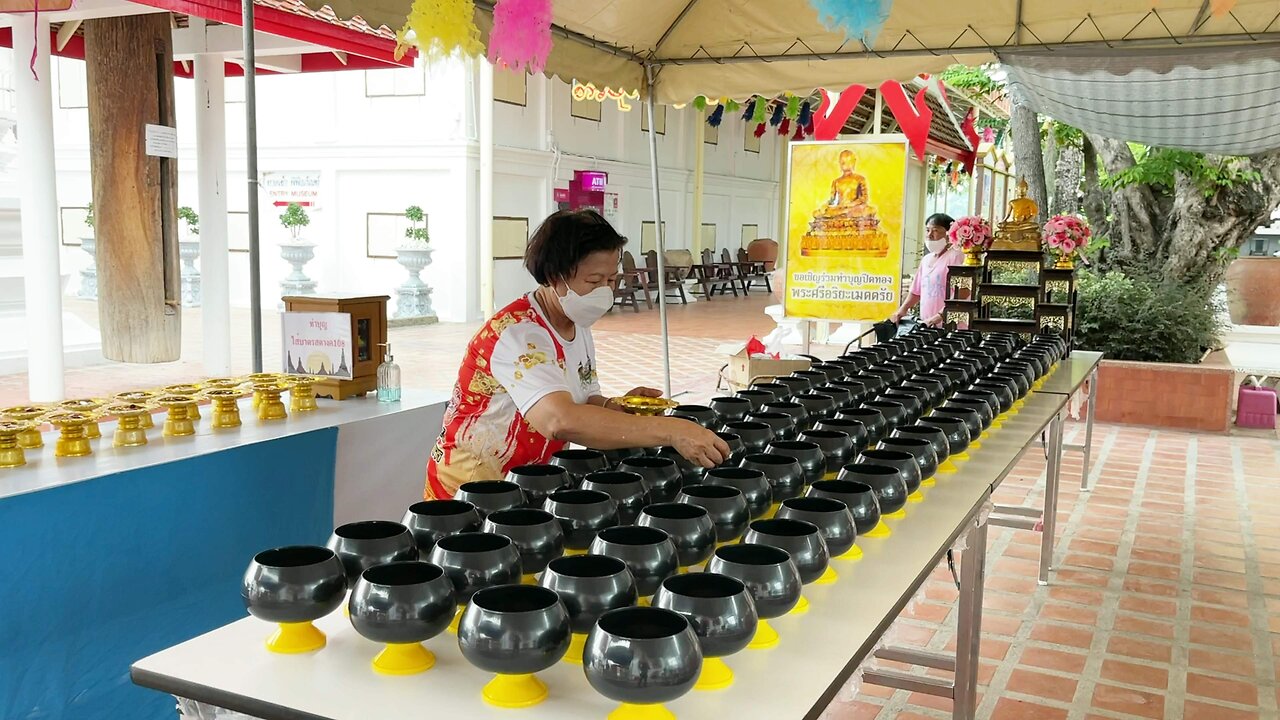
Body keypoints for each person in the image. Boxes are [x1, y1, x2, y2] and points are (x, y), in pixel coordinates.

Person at [425, 209, 730, 500]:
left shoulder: (575, 323)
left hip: (528, 480)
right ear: (554, 277)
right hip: (472, 488)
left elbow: (582, 400)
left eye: (612, 280)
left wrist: (615, 406)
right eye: (594, 281)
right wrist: (670, 431)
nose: (606, 291)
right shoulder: (519, 334)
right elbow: (560, 419)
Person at [889, 213, 965, 327]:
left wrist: (938, 317)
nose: (929, 235)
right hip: (927, 325)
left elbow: (963, 292)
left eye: (935, 230)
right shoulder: (926, 259)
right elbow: (916, 291)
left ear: (949, 234)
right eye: (927, 230)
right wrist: (903, 309)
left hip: (950, 326)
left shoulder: (956, 256)